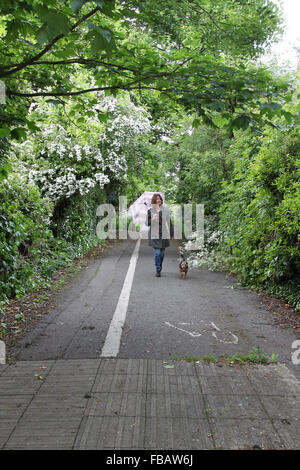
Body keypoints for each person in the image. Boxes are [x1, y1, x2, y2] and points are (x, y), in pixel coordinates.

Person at [146, 193, 174, 277]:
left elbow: (169, 222)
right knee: (157, 253)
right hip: (154, 234)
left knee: (162, 254)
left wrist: (172, 233)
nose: (159, 200)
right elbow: (147, 223)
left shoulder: (165, 210)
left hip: (163, 234)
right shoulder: (150, 211)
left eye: (160, 199)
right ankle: (158, 269)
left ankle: (160, 265)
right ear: (154, 201)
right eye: (157, 199)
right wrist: (152, 219)